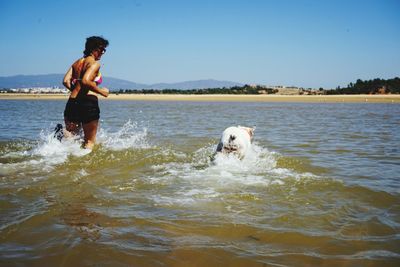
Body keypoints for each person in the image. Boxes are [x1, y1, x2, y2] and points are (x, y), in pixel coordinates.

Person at [62, 36, 109, 149]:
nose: (103, 53)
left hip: (72, 102)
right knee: (89, 142)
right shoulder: (94, 64)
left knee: (71, 139)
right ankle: (86, 165)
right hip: (88, 102)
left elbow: (65, 81)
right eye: (102, 50)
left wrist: (75, 90)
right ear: (95, 49)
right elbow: (86, 81)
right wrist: (102, 92)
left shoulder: (76, 63)